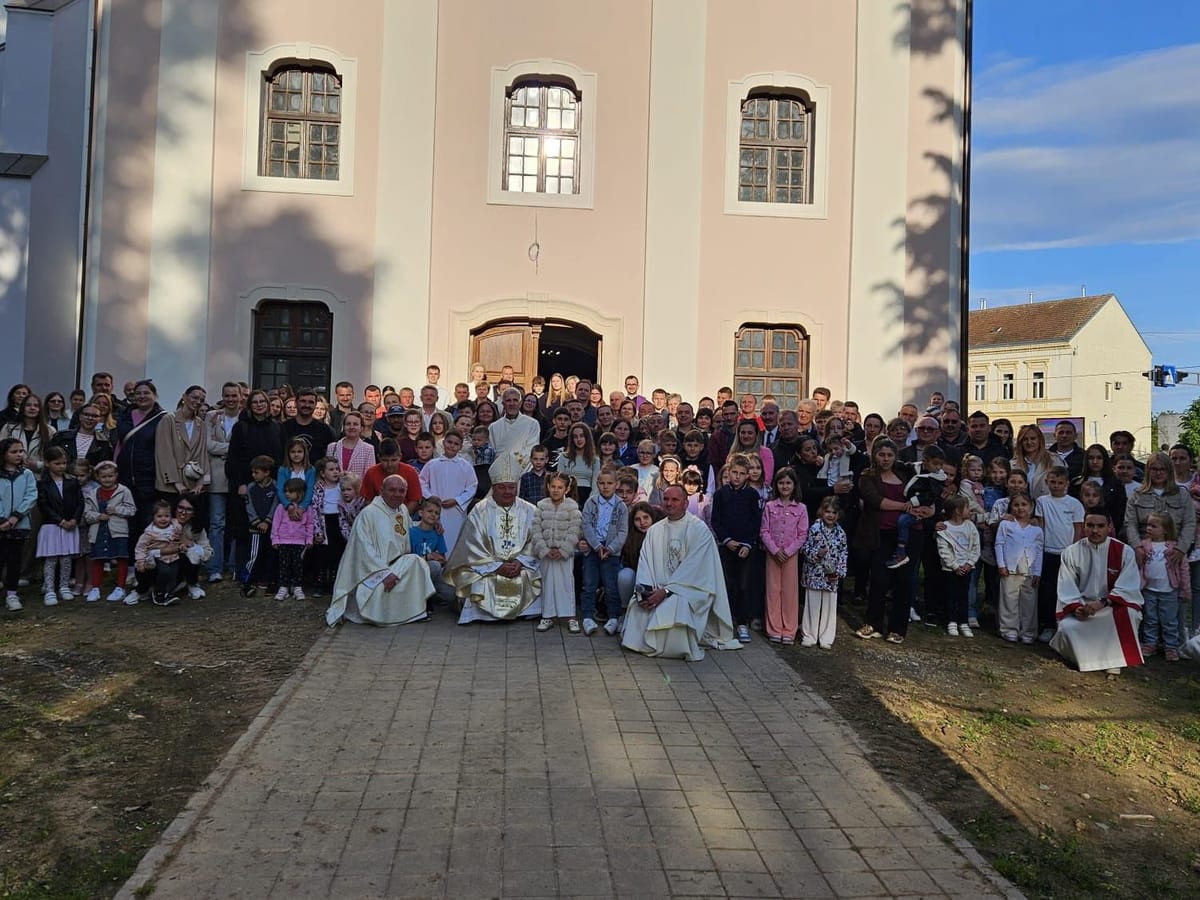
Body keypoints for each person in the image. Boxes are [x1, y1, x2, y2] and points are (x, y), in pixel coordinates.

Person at [621, 485, 739, 660]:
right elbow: (645, 563)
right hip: (658, 588)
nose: (669, 503)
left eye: (675, 500)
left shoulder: (699, 530)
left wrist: (667, 591)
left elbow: (694, 569)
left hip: (690, 590)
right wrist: (644, 593)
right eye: (666, 499)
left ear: (685, 503)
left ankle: (671, 648)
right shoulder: (655, 530)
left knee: (675, 605)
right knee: (639, 607)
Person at [326, 474, 436, 626]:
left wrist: (430, 523)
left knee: (417, 562)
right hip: (372, 574)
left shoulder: (402, 509)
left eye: (401, 491)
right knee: (414, 561)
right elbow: (363, 550)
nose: (397, 494)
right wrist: (383, 573)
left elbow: (411, 528)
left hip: (396, 566)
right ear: (381, 490)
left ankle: (414, 610)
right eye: (392, 490)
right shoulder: (368, 514)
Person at [446, 453, 543, 623]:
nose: (507, 492)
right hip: (488, 566)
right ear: (494, 486)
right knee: (478, 578)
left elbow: (536, 541)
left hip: (520, 567)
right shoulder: (480, 510)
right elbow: (471, 546)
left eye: (511, 487)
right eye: (502, 487)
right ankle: (480, 614)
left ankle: (530, 611)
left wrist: (520, 561)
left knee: (540, 571)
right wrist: (497, 566)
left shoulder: (530, 510)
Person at [1050, 512, 1144, 674]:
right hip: (1082, 607)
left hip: (1110, 606)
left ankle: (1113, 661)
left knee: (1130, 614)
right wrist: (1077, 608)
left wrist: (1103, 603)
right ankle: (1089, 659)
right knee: (1067, 628)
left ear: (1109, 527)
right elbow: (1066, 586)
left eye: (1100, 526)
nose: (1095, 530)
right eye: (1090, 525)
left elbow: (1128, 586)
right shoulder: (1071, 552)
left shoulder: (1124, 552)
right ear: (1084, 526)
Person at [711, 453, 764, 643]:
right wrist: (726, 540)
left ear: (748, 475)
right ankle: (726, 621)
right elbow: (716, 520)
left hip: (746, 548)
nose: (737, 477)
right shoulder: (720, 494)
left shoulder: (752, 495)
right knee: (727, 583)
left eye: (742, 473)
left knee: (743, 585)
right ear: (728, 472)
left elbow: (756, 522)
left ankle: (742, 623)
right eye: (734, 472)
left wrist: (748, 544)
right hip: (727, 546)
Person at [1034, 466, 1085, 643]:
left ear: (1067, 484)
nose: (1056, 486)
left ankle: (1063, 625)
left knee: (1064, 591)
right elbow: (1041, 525)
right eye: (1053, 482)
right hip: (1047, 552)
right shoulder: (1042, 501)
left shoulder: (1074, 504)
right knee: (1047, 590)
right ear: (1047, 482)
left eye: (1060, 483)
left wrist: (1073, 551)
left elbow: (1078, 529)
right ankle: (1047, 624)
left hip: (1066, 554)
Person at [760, 467, 808, 644]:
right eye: (781, 483)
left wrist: (788, 551)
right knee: (773, 591)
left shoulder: (801, 508)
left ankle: (789, 629)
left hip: (790, 556)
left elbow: (802, 534)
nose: (785, 486)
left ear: (794, 485)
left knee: (789, 592)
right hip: (773, 554)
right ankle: (774, 628)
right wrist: (774, 550)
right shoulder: (770, 506)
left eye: (788, 483)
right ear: (776, 485)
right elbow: (764, 531)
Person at [532, 472, 583, 634]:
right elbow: (535, 529)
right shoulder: (541, 506)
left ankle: (570, 616)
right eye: (553, 486)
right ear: (548, 487)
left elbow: (575, 530)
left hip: (564, 555)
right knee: (548, 583)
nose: (556, 490)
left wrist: (564, 549)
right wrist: (544, 549)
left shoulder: (572, 508)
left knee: (566, 583)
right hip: (547, 553)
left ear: (567, 489)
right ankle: (547, 615)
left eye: (560, 487)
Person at [580, 469, 627, 638]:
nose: (606, 487)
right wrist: (597, 546)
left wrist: (610, 548)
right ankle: (587, 616)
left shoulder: (621, 506)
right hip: (594, 549)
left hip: (611, 552)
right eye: (602, 483)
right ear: (597, 484)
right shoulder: (591, 503)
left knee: (611, 585)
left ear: (616, 485)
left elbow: (622, 531)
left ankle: (613, 616)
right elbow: (586, 525)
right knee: (589, 583)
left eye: (609, 483)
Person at [1137, 512, 1189, 661]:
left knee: (1169, 620)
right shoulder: (1144, 545)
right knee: (1150, 618)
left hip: (1169, 591)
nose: (1149, 528)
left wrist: (1186, 590)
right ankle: (1150, 643)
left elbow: (1184, 569)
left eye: (1154, 526)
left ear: (1165, 529)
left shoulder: (1174, 547)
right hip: (1149, 589)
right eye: (1148, 525)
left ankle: (1171, 647)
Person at [204, 382, 243, 583]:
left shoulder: (244, 417)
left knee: (237, 523)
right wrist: (232, 448)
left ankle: (234, 564)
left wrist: (228, 448)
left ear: (240, 397)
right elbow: (208, 445)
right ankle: (214, 567)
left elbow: (245, 446)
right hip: (217, 477)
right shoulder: (212, 417)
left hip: (236, 477)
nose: (230, 399)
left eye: (234, 395)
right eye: (227, 395)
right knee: (216, 523)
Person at [35, 446, 83, 606]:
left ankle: (64, 586)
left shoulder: (72, 481)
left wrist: (74, 520)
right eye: (57, 463)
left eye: (64, 463)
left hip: (70, 524)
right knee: (51, 559)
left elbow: (80, 503)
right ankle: (49, 589)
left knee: (66, 558)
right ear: (48, 463)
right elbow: (43, 505)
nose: (61, 467)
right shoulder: (43, 483)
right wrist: (60, 521)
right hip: (52, 526)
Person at [83, 461, 135, 603]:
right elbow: (87, 514)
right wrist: (98, 516)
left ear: (116, 475)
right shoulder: (93, 494)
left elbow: (132, 510)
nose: (107, 479)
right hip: (98, 530)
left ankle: (120, 588)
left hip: (118, 530)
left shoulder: (124, 491)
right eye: (104, 476)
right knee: (98, 559)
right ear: (98, 477)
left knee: (121, 558)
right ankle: (95, 588)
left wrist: (117, 510)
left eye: (110, 476)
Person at [994, 492, 1043, 644]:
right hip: (1010, 568)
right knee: (1009, 599)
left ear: (1031, 507)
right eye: (1016, 505)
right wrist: (1001, 565)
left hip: (1029, 570)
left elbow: (1039, 551)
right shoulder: (1006, 524)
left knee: (1029, 602)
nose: (1020, 508)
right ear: (1011, 507)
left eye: (1024, 505)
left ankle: (1028, 631)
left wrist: (1037, 572)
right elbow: (999, 544)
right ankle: (1009, 629)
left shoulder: (1036, 530)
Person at [887, 446, 946, 569]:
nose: (938, 468)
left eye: (941, 464)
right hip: (908, 505)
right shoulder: (915, 467)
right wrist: (892, 461)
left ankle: (901, 551)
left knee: (903, 522)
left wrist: (914, 502)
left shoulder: (937, 478)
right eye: (935, 464)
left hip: (922, 509)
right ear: (925, 460)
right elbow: (903, 465)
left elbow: (930, 496)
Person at [418, 430, 476, 554]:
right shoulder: (432, 464)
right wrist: (430, 497)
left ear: (460, 446)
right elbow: (422, 482)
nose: (451, 446)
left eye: (456, 444)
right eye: (449, 442)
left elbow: (472, 487)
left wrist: (457, 500)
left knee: (454, 542)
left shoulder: (465, 466)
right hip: (435, 510)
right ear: (443, 443)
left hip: (455, 512)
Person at [801, 496, 847, 650]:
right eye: (827, 511)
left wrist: (840, 572)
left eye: (834, 512)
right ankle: (809, 635)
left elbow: (843, 554)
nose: (830, 515)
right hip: (814, 573)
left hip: (831, 576)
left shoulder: (841, 533)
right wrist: (816, 554)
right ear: (822, 511)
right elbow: (805, 549)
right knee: (812, 605)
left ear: (838, 514)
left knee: (829, 607)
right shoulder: (814, 529)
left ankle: (826, 637)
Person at [937, 496, 981, 638]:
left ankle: (963, 622)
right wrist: (955, 566)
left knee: (964, 595)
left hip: (967, 568)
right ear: (957, 511)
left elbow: (976, 546)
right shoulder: (945, 528)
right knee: (951, 595)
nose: (969, 511)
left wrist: (969, 563)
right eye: (967, 508)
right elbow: (943, 550)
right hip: (951, 569)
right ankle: (951, 621)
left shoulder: (970, 526)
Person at [133, 499, 184, 607]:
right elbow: (140, 547)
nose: (163, 519)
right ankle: (158, 593)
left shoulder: (175, 527)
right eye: (159, 516)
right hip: (159, 558)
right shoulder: (150, 533)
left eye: (166, 516)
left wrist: (180, 543)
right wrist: (140, 561)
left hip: (173, 557)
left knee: (173, 575)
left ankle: (168, 594)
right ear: (154, 517)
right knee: (164, 573)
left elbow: (179, 539)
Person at [272, 477, 316, 601]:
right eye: (286, 491)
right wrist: (275, 539)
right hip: (284, 542)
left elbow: (310, 524)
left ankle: (297, 587)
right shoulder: (281, 508)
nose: (287, 494)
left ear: (300, 493)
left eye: (290, 492)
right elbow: (276, 524)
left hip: (299, 542)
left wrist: (309, 539)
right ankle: (283, 587)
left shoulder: (307, 508)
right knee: (284, 566)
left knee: (297, 566)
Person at [410, 498, 457, 608]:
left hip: (433, 573)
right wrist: (429, 556)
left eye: (437, 513)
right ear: (421, 513)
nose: (433, 515)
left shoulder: (437, 533)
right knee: (434, 565)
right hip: (416, 571)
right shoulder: (411, 532)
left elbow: (442, 557)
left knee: (450, 593)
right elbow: (408, 559)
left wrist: (442, 560)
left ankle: (432, 595)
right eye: (430, 511)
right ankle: (422, 600)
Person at [489, 388, 541, 471]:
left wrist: (513, 463)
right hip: (499, 471)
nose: (512, 403)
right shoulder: (493, 427)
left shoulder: (532, 424)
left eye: (515, 400)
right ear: (503, 404)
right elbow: (493, 453)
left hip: (523, 471)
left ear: (520, 404)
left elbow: (531, 450)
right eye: (508, 400)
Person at [173, 497, 214, 600]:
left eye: (188, 509)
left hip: (184, 564)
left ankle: (192, 583)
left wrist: (191, 544)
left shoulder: (197, 528)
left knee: (193, 553)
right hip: (163, 564)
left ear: (194, 513)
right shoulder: (163, 521)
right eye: (180, 508)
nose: (183, 512)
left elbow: (208, 552)